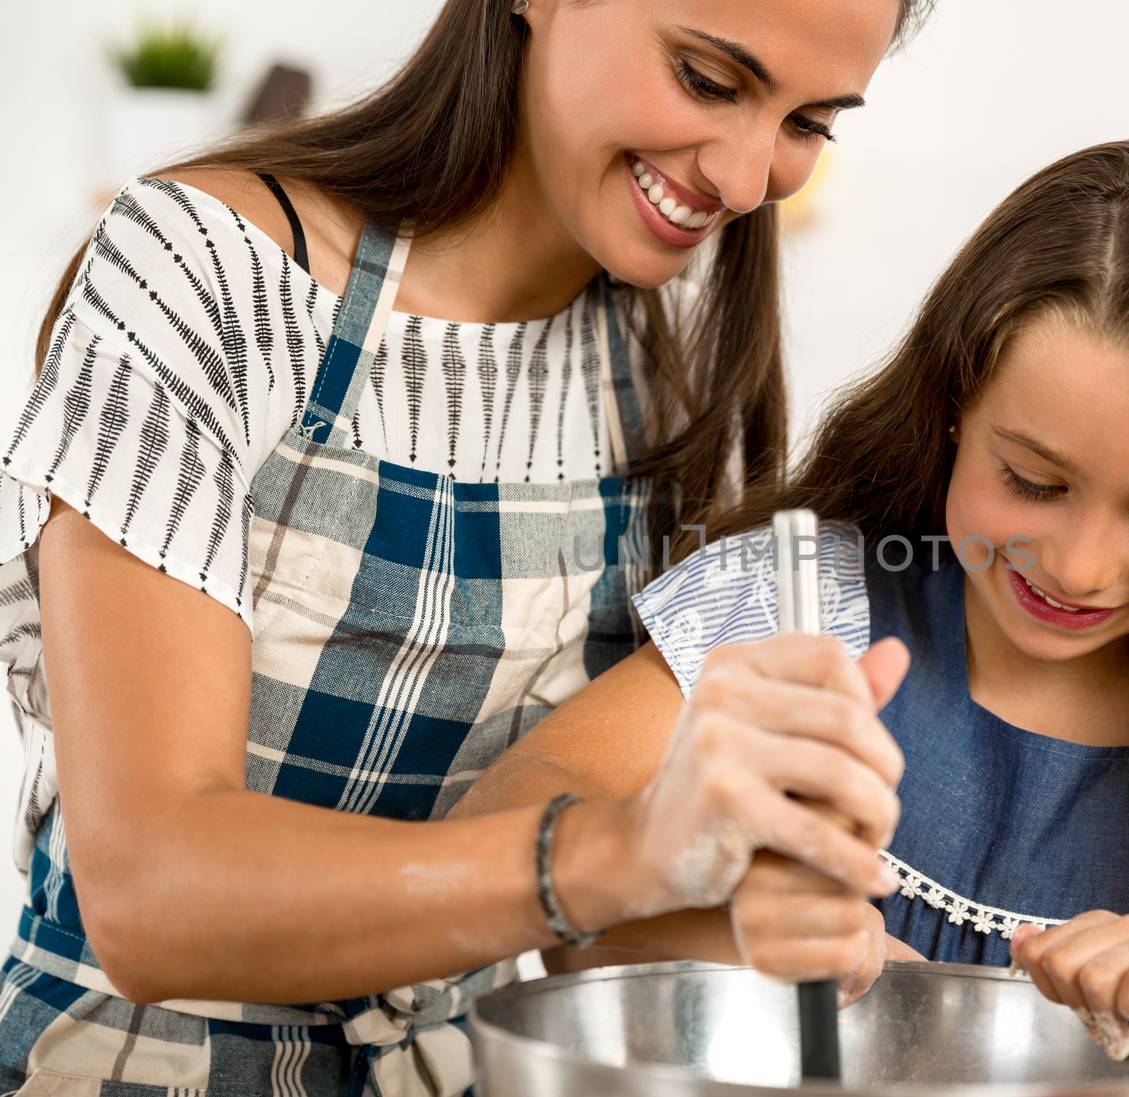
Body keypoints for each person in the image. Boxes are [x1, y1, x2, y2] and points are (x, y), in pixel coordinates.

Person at [0, 0, 934, 1092]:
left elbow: (597, 910)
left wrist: (846, 954)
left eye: (809, 122)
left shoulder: (660, 359)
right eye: (708, 79)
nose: (741, 178)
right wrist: (617, 851)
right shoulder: (207, 268)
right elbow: (151, 899)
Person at [451, 139, 1129, 1095]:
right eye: (1034, 480)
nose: (1078, 563)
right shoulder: (799, 609)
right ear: (953, 405)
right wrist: (747, 936)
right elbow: (512, 821)